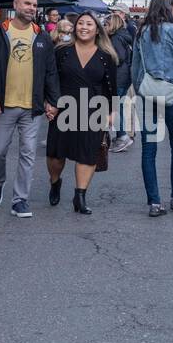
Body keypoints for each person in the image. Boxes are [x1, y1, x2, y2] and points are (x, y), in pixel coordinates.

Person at [0, 0, 59, 218]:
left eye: (34, 5)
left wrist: (52, 101)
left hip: (31, 108)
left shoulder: (41, 36)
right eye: (27, 3)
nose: (31, 8)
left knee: (28, 153)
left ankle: (20, 200)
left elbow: (51, 72)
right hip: (4, 105)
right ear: (15, 4)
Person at [132, 0, 173, 216]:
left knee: (148, 149)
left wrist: (139, 89)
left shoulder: (141, 31)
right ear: (169, 6)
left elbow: (135, 67)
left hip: (149, 93)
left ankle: (154, 202)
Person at [46, 12, 118, 214]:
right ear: (74, 27)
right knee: (55, 155)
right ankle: (55, 182)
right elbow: (51, 79)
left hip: (94, 108)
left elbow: (112, 85)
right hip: (63, 107)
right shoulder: (62, 51)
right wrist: (49, 102)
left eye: (89, 24)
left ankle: (80, 196)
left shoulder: (106, 56)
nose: (84, 27)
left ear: (97, 29)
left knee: (88, 154)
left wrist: (112, 110)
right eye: (80, 23)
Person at [105, 11, 136, 152]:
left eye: (107, 23)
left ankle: (122, 136)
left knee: (114, 108)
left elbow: (119, 57)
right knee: (119, 107)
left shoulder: (116, 38)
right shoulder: (124, 36)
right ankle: (121, 136)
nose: (105, 26)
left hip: (118, 77)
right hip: (125, 76)